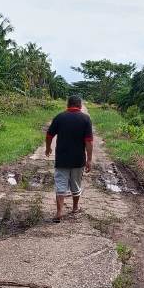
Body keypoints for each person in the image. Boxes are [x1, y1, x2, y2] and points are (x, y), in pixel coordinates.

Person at [45, 95, 94, 223]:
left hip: (62, 158)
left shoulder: (59, 117)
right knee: (76, 184)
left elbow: (49, 135)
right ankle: (75, 208)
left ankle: (59, 212)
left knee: (60, 185)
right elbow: (89, 142)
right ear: (80, 105)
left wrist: (48, 148)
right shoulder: (85, 119)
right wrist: (89, 160)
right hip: (78, 160)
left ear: (68, 105)